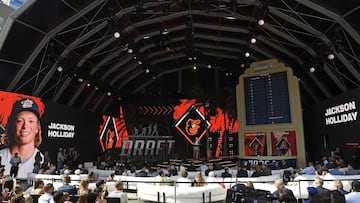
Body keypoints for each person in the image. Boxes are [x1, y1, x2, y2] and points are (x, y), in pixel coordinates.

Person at [0, 98, 44, 179]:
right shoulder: (1, 155)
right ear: (12, 125)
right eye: (19, 121)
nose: (25, 126)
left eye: (31, 121)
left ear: (37, 127)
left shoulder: (42, 159)